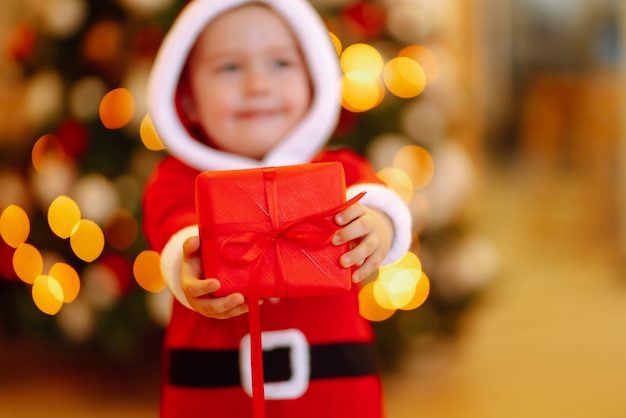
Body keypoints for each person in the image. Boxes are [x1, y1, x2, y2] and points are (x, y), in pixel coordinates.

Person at [142, 0, 412, 417]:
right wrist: (189, 257)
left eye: (281, 64)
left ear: (314, 81)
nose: (257, 85)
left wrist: (379, 226)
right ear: (189, 98)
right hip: (213, 392)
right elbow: (174, 228)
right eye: (230, 68)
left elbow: (378, 200)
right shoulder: (177, 179)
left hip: (334, 391)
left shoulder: (339, 170)